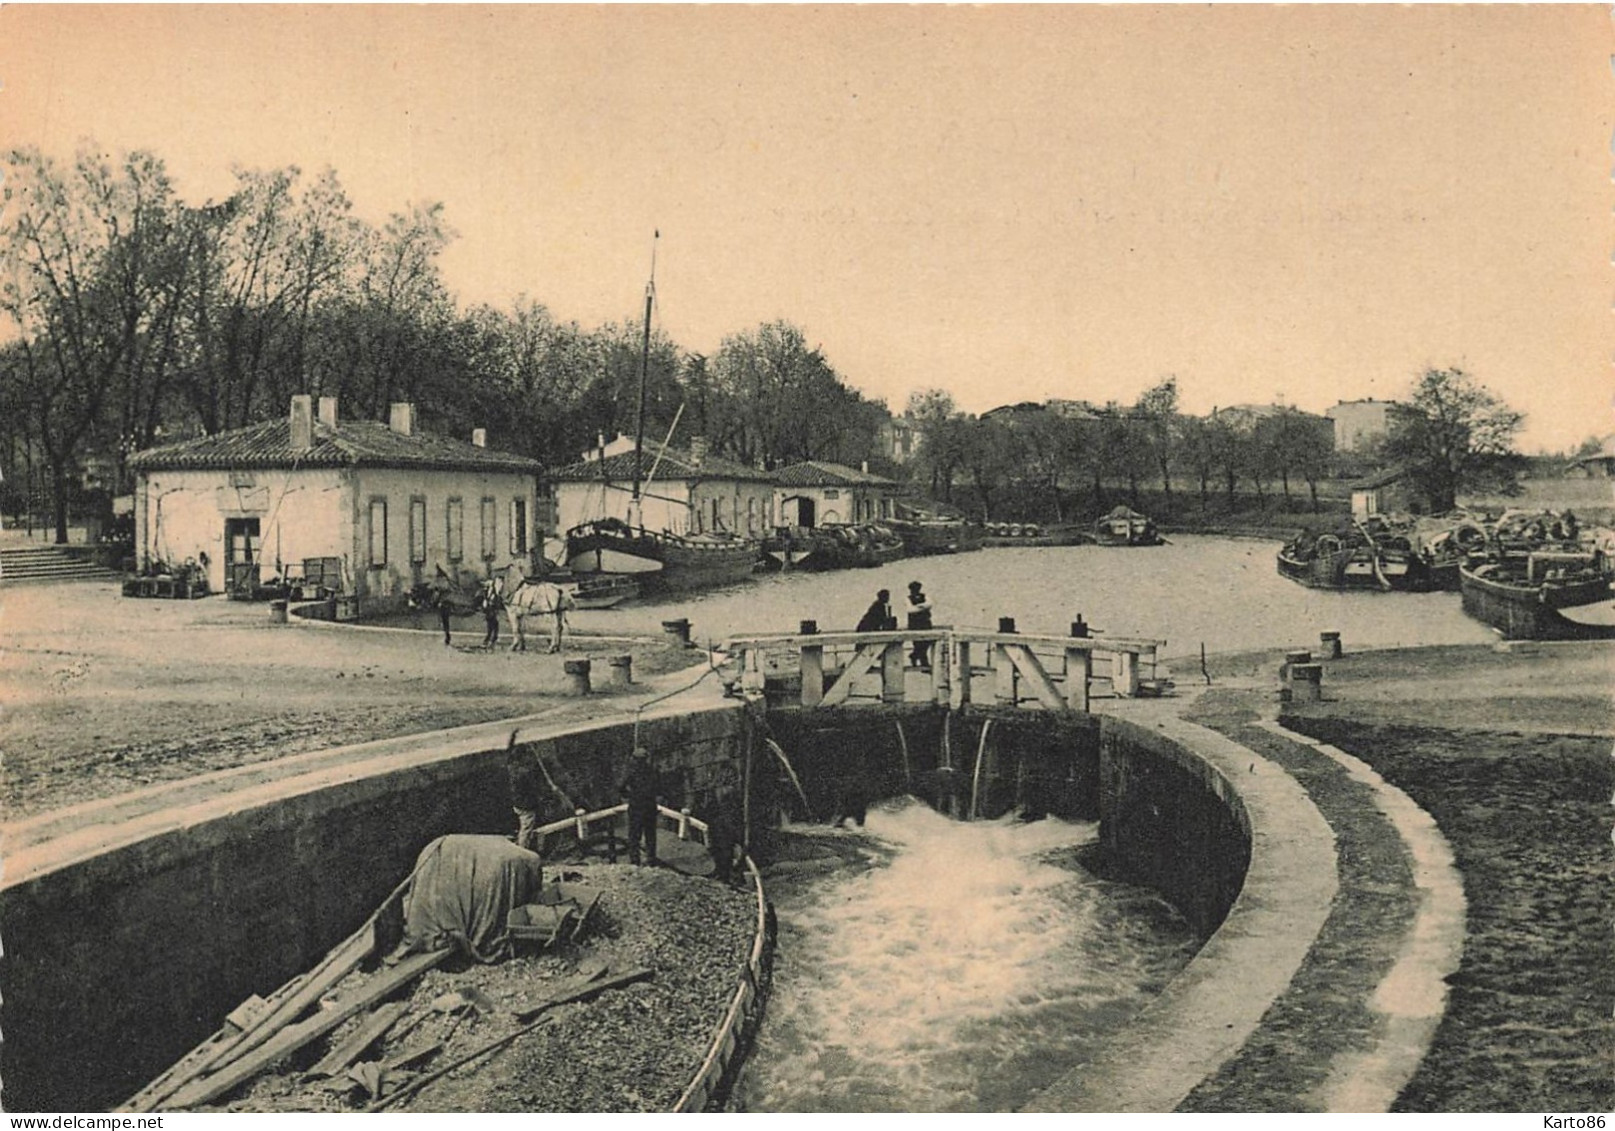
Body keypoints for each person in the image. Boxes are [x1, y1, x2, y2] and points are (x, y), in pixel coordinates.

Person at [619, 747, 660, 866]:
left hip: (636, 806)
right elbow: (659, 787)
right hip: (650, 806)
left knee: (634, 836)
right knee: (650, 835)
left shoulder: (631, 772)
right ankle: (651, 860)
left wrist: (630, 795)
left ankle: (635, 861)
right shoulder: (652, 771)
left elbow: (621, 787)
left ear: (635, 759)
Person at [505, 728, 544, 853]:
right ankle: (522, 851)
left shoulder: (511, 765)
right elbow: (534, 788)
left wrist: (513, 737)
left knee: (524, 827)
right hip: (526, 806)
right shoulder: (525, 773)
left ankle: (521, 845)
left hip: (516, 803)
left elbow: (509, 750)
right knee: (526, 830)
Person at [906, 580, 933, 669]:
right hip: (915, 624)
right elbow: (910, 609)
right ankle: (923, 662)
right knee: (918, 643)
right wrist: (923, 607)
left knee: (927, 641)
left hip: (925, 622)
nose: (916, 590)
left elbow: (929, 604)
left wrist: (918, 607)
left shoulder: (924, 596)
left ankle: (914, 656)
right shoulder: (908, 598)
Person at [480, 576, 503, 649]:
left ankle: (490, 639)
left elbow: (496, 598)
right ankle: (492, 638)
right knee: (492, 623)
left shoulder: (495, 590)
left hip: (492, 608)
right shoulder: (488, 590)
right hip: (489, 608)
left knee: (492, 624)